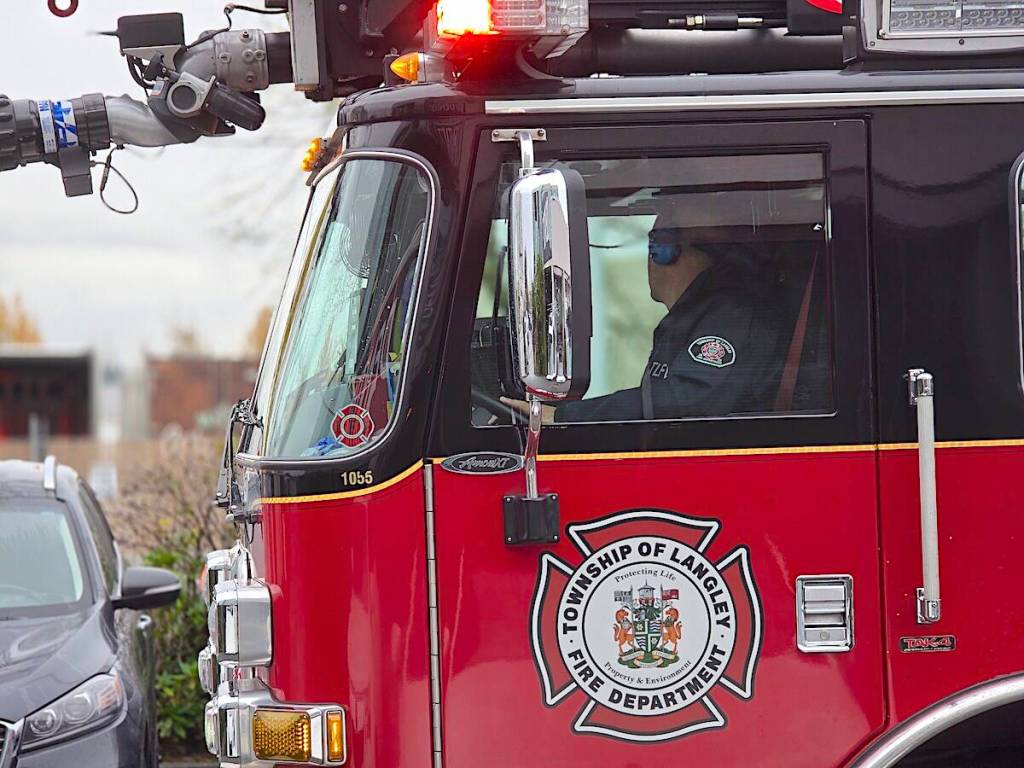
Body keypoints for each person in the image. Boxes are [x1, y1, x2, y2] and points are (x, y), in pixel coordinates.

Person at [502, 209, 782, 423]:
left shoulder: (731, 316)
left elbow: (682, 403)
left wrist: (564, 419)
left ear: (667, 252)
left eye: (655, 243)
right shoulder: (699, 315)